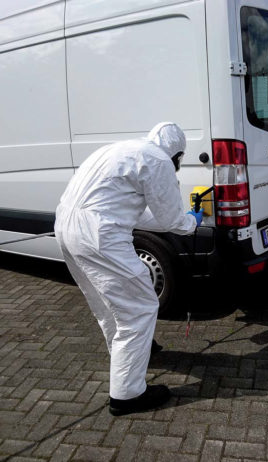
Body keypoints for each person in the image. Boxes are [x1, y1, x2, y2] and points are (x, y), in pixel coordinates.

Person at [54, 122, 203, 415]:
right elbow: (171, 219)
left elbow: (137, 213)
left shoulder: (121, 149)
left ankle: (131, 354)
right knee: (141, 307)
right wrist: (193, 220)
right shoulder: (159, 161)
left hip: (66, 228)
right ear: (177, 154)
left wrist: (181, 220)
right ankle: (128, 394)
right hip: (100, 236)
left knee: (107, 304)